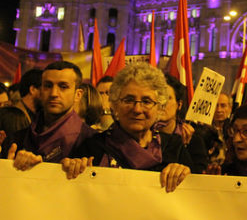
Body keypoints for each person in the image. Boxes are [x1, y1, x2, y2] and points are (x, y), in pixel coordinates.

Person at [62, 63, 194, 193]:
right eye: (129, 100)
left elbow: (194, 197)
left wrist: (184, 174)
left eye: (146, 101)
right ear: (115, 105)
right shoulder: (92, 147)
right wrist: (74, 169)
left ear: (159, 107)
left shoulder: (174, 147)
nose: (137, 109)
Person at [0, 61, 96, 169]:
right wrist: (8, 169)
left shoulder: (93, 142)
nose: (54, 93)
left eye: (63, 87)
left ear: (78, 95)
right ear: (40, 91)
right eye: (48, 86)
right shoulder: (16, 140)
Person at [160, 74, 208, 173]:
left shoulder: (193, 139)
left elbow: (197, 176)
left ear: (179, 105)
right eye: (159, 97)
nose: (162, 103)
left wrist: (183, 146)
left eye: (168, 98)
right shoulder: (145, 136)